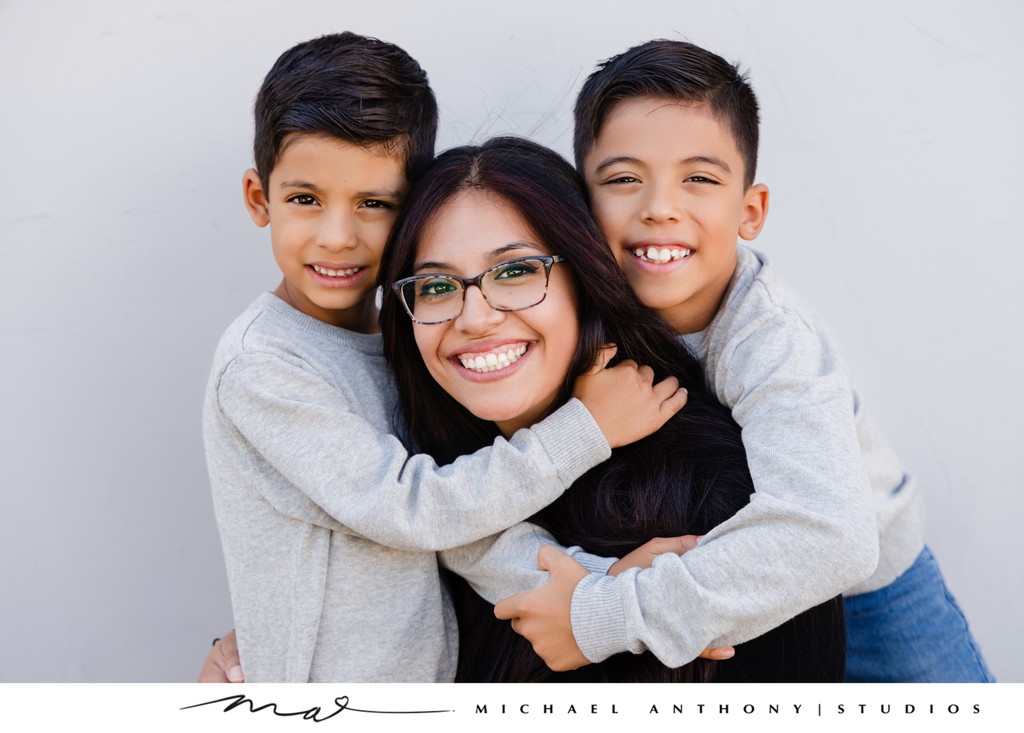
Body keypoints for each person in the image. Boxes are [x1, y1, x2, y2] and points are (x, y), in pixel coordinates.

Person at [202, 32, 688, 682]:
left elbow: (464, 534)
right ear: (260, 199)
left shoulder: (404, 337)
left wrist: (601, 593)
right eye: (305, 199)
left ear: (408, 219)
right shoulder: (263, 367)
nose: (337, 235)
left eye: (373, 204)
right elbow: (409, 508)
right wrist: (583, 430)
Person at [503, 39, 993, 683]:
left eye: (699, 178)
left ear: (750, 210)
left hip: (872, 594)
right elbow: (489, 481)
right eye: (624, 178)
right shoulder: (559, 315)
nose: (659, 206)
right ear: (580, 204)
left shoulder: (768, 334)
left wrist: (606, 613)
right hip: (725, 587)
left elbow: (832, 537)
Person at [378, 135, 846, 682]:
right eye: (436, 285)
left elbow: (833, 543)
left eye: (515, 272)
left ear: (588, 281)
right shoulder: (410, 479)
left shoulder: (720, 505)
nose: (475, 317)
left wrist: (606, 606)